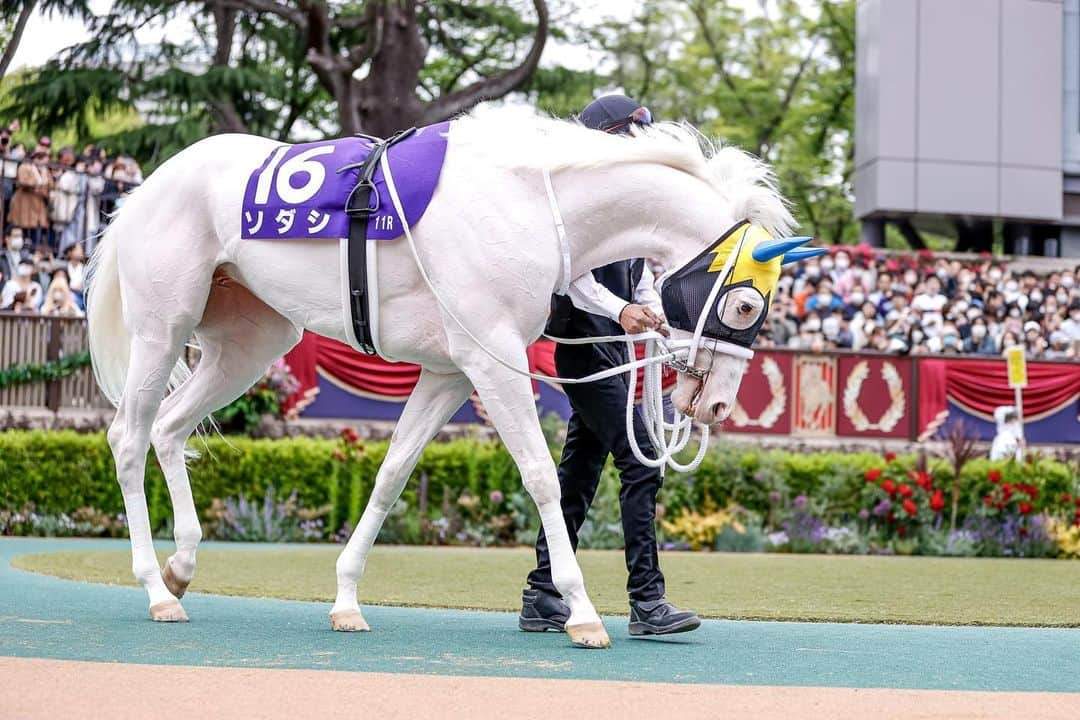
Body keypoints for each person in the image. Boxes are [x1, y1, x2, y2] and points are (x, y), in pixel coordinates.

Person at [520, 95, 701, 637]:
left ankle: (542, 593)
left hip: (612, 348)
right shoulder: (578, 203)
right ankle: (647, 602)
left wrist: (652, 311)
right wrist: (621, 310)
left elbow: (637, 274)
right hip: (585, 344)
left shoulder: (621, 204)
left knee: (579, 473)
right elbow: (572, 275)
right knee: (642, 463)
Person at [9, 146, 52, 247]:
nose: (41, 161)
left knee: (36, 230)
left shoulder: (44, 170)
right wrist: (37, 183)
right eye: (39, 158)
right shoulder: (25, 166)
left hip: (38, 205)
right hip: (23, 204)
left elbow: (51, 185)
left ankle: (34, 250)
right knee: (21, 228)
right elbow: (23, 181)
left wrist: (43, 178)